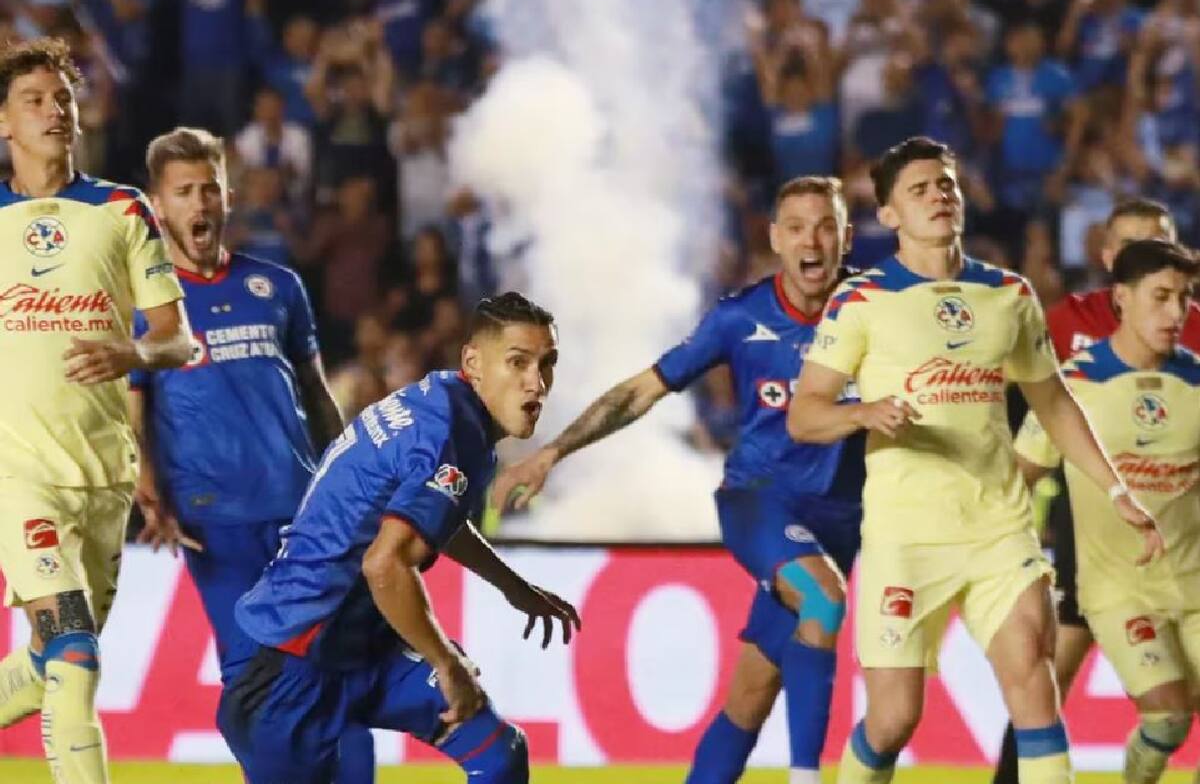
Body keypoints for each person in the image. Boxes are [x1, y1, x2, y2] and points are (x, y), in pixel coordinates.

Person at [788, 136, 1162, 784]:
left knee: (1032, 678)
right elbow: (805, 412)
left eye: (946, 185)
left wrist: (1116, 488)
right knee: (894, 718)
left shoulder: (1008, 295)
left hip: (998, 527)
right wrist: (860, 414)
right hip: (906, 536)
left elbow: (1055, 404)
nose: (938, 195)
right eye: (920, 189)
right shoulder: (863, 300)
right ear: (890, 215)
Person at [491, 176, 864, 784]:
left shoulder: (876, 311)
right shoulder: (740, 318)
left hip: (838, 522)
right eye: (796, 227)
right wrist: (553, 451)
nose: (812, 240)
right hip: (759, 502)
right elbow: (641, 391)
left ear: (847, 236)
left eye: (826, 226)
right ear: (774, 239)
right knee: (822, 600)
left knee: (751, 695)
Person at [217, 292, 580, 784]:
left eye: (547, 364)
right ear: (473, 361)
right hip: (290, 669)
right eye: (517, 362)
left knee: (500, 755)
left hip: (367, 652)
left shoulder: (452, 412)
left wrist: (513, 587)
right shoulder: (447, 432)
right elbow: (384, 564)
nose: (536, 383)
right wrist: (445, 662)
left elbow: (433, 520)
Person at [128, 126, 375, 782]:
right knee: (259, 682)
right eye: (184, 192)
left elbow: (318, 398)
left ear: (228, 196)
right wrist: (148, 485)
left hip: (302, 513)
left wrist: (354, 480)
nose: (200, 203)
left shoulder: (278, 286)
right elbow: (134, 410)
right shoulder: (146, 308)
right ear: (159, 207)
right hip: (217, 520)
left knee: (336, 667)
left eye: (210, 187)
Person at [0, 37, 190, 783]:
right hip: (19, 477)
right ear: (4, 123)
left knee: (55, 659)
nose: (55, 111)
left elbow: (177, 341)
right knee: (75, 653)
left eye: (63, 99)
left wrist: (131, 354)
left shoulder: (120, 210)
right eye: (34, 101)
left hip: (104, 477)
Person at [992, 198, 1197, 783]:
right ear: (1115, 271)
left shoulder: (1193, 346)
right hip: (1095, 554)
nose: (1176, 308)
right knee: (1052, 680)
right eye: (1133, 246)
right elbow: (1023, 446)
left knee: (1169, 715)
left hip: (1184, 556)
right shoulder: (1066, 338)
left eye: (1182, 293)